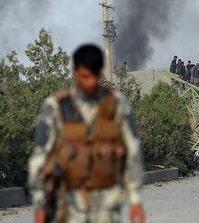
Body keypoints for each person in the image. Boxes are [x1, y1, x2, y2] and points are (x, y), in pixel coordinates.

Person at [28, 44, 146, 223]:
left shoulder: (117, 104)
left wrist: (135, 200)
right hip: (70, 205)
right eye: (85, 76)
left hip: (107, 204)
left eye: (96, 76)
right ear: (74, 71)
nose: (91, 82)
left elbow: (132, 150)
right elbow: (40, 158)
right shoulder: (56, 107)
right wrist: (40, 205)